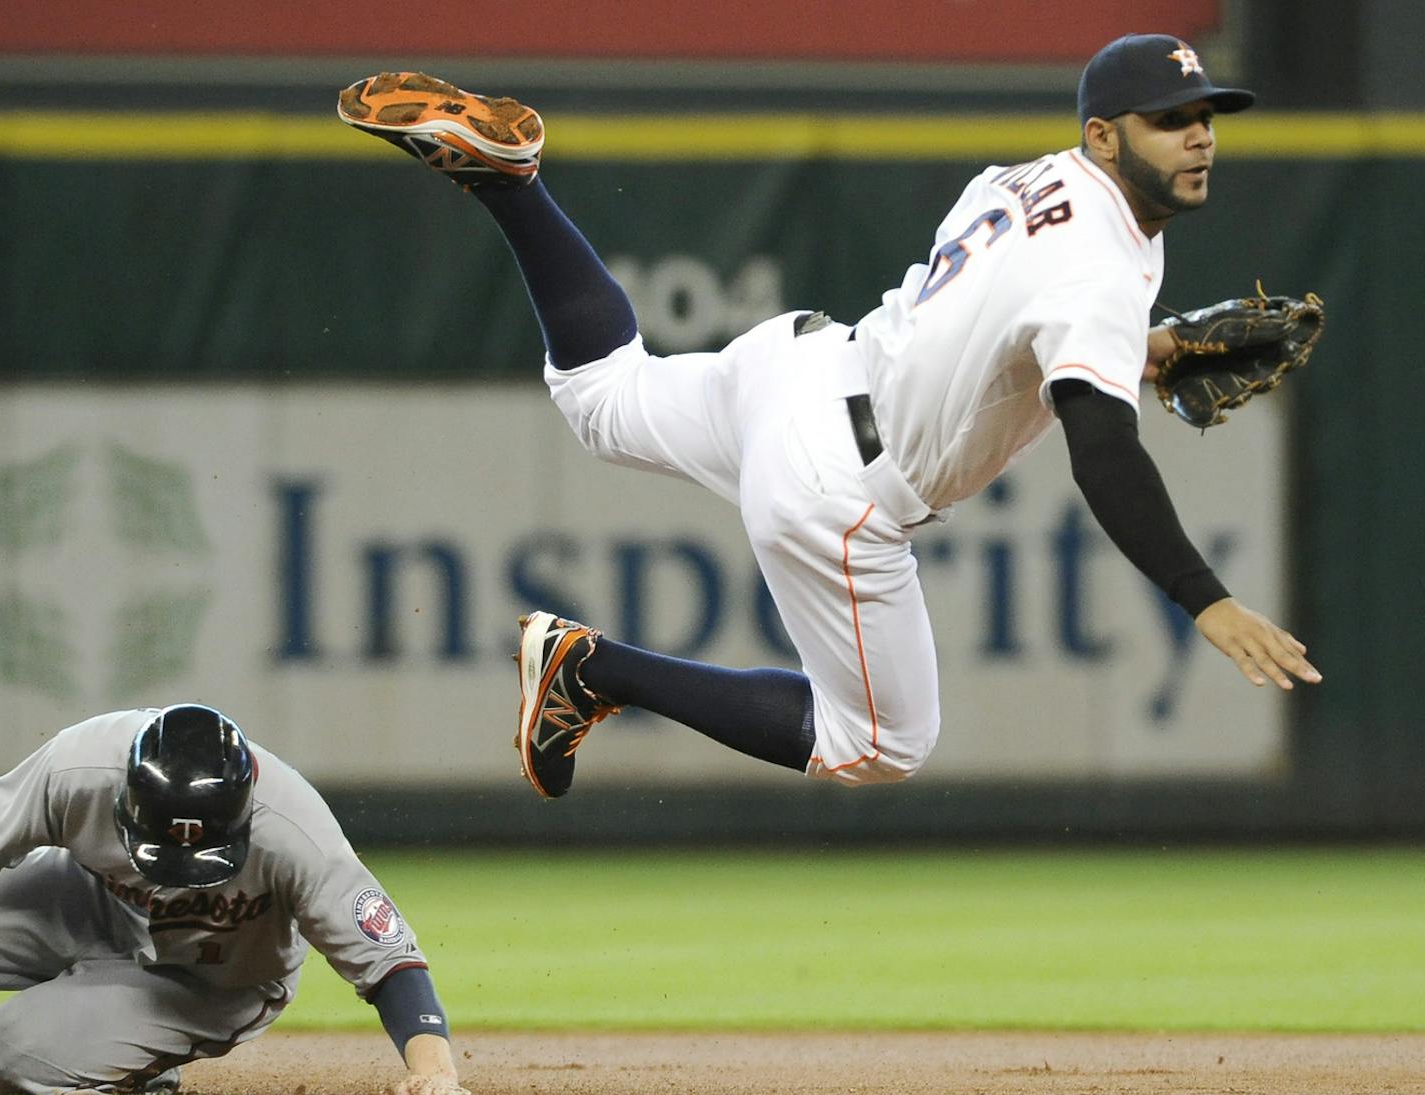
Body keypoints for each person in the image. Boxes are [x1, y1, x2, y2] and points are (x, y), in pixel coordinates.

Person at [337, 35, 1320, 799]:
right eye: (1168, 119)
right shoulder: (1107, 271)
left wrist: (1153, 350)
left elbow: (1012, 329)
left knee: (598, 398)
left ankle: (512, 187)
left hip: (801, 366)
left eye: (1205, 115)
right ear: (1105, 135)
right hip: (841, 482)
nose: (1198, 135)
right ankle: (594, 670)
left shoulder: (1031, 179)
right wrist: (1204, 598)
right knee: (884, 744)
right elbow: (1101, 447)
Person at [0, 704, 471, 1095]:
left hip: (208, 976)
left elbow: (390, 959)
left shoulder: (296, 831)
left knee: (18, 1057)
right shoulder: (83, 764)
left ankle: (136, 1057)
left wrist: (433, 1070)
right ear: (127, 799)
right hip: (86, 901)